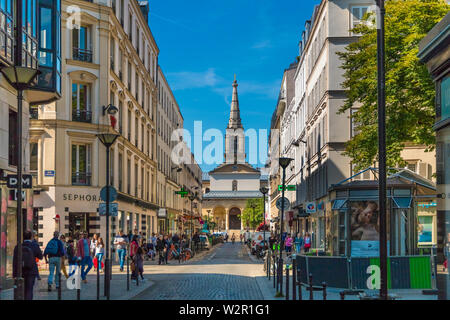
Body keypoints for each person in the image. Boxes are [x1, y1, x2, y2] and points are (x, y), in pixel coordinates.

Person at [13, 230, 43, 300]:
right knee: (29, 290)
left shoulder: (18, 246)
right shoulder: (34, 245)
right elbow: (40, 257)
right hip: (31, 271)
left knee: (21, 289)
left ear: (23, 237)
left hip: (21, 271)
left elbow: (15, 260)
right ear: (31, 237)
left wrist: (14, 274)